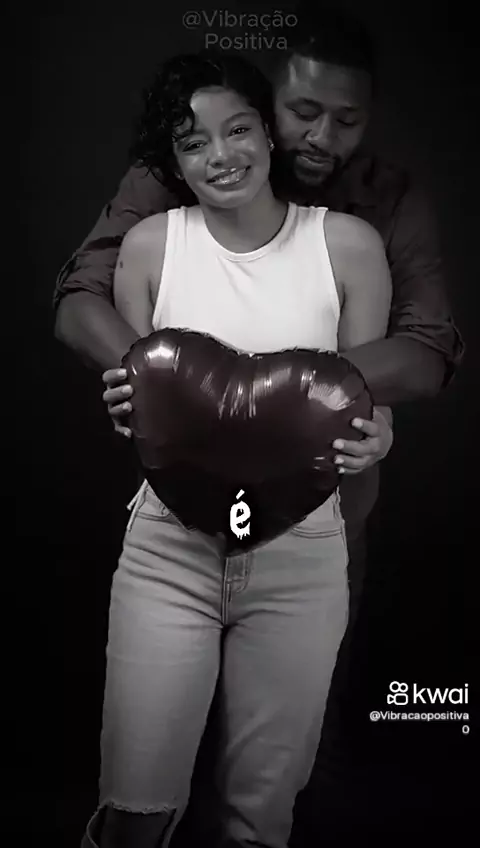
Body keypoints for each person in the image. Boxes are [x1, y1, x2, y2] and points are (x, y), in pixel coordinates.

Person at [75, 49, 393, 848]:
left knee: (260, 820)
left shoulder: (348, 246)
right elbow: (147, 413)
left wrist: (378, 437)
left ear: (269, 132)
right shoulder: (150, 247)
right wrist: (125, 406)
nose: (221, 156)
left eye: (239, 129)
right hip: (168, 551)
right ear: (174, 159)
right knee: (135, 812)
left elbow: (364, 403)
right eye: (193, 142)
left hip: (302, 556)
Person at [53, 11, 463, 627]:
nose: (322, 136)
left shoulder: (386, 204)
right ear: (268, 106)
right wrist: (157, 387)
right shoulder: (184, 161)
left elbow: (427, 348)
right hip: (185, 515)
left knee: (306, 682)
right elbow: (80, 295)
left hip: (324, 516)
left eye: (347, 121)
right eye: (303, 112)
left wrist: (272, 398)